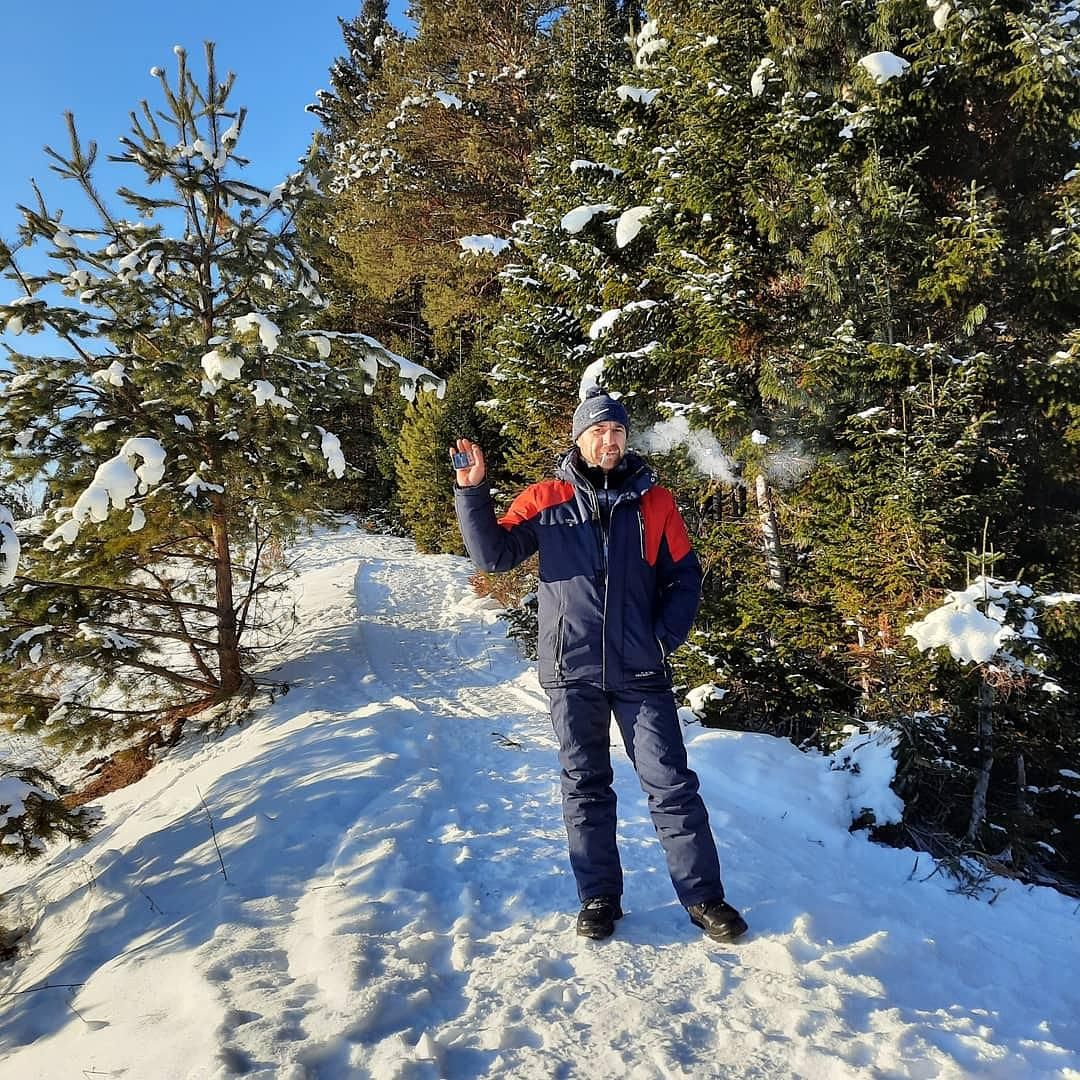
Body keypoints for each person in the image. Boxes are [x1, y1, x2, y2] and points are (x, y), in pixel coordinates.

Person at [452, 387, 747, 943]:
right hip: (572, 670)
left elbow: (685, 577)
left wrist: (662, 638)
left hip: (641, 669)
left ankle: (704, 897)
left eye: (616, 432)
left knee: (671, 784)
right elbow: (494, 557)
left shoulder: (656, 503)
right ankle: (598, 898)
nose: (608, 441)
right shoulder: (545, 498)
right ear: (580, 439)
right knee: (585, 784)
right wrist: (473, 495)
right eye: (597, 432)